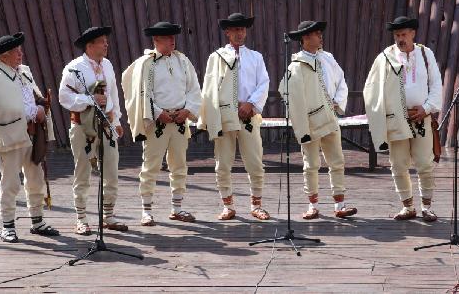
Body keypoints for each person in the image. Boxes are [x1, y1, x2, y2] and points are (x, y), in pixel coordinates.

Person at [0, 32, 59, 242]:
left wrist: (41, 109)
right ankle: (8, 226)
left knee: (36, 179)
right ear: (4, 55)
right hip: (10, 137)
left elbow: (34, 95)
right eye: (16, 51)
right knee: (10, 183)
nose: (20, 54)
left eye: (19, 50)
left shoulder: (24, 71)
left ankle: (37, 221)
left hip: (32, 135)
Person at [122, 21, 202, 226]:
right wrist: (157, 113)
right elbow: (142, 92)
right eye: (167, 37)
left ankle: (177, 208)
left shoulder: (183, 61)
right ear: (156, 40)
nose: (172, 40)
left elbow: (194, 88)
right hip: (157, 122)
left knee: (179, 164)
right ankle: (146, 211)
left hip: (180, 120)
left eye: (173, 37)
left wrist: (187, 110)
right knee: (151, 166)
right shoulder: (146, 64)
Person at [364, 16, 442, 221]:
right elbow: (372, 89)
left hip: (421, 118)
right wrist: (389, 113)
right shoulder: (385, 57)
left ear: (413, 34)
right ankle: (407, 206)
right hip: (396, 119)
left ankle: (427, 207)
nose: (400, 38)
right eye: (397, 35)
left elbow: (436, 85)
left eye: (404, 34)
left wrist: (426, 108)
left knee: (425, 163)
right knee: (398, 164)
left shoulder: (426, 54)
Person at [280, 20, 357, 220]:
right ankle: (312, 205)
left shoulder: (328, 58)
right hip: (310, 121)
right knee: (311, 164)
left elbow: (341, 81)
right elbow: (289, 95)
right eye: (316, 33)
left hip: (330, 118)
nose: (321, 36)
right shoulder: (296, 66)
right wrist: (301, 127)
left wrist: (336, 103)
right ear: (305, 38)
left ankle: (340, 204)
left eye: (320, 33)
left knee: (337, 161)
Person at [199, 13, 271, 221]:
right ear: (227, 32)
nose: (239, 33)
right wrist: (211, 117)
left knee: (255, 162)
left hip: (249, 115)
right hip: (225, 116)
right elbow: (210, 88)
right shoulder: (217, 57)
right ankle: (227, 205)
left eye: (242, 29)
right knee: (223, 163)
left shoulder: (256, 57)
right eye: (235, 30)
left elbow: (264, 83)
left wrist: (251, 103)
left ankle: (256, 205)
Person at [59, 26, 127, 235]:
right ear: (90, 45)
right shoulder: (74, 68)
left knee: (112, 170)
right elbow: (64, 98)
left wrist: (117, 120)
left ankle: (108, 215)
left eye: (106, 41)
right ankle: (81, 219)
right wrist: (90, 99)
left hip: (107, 125)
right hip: (83, 127)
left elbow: (113, 93)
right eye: (102, 41)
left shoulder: (107, 64)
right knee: (83, 171)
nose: (106, 44)